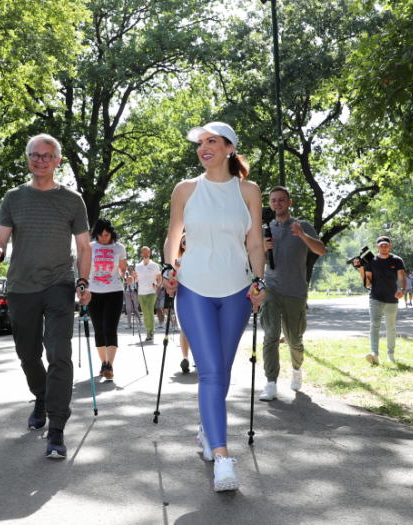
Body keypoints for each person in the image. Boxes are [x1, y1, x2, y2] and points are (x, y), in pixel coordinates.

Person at [163, 121, 265, 492]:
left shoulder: (249, 190)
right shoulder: (185, 189)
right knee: (209, 373)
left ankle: (208, 430)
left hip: (237, 290)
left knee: (222, 370)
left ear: (229, 148)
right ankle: (222, 459)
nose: (203, 148)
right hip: (194, 288)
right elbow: (173, 236)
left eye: (212, 141)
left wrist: (259, 282)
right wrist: (168, 268)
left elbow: (255, 243)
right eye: (200, 143)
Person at [0, 133, 91, 460]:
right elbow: (0, 240)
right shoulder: (13, 198)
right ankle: (41, 396)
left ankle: (57, 426)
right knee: (28, 355)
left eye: (47, 156)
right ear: (28, 158)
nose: (40, 160)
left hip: (59, 283)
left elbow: (83, 247)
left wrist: (82, 282)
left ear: (57, 161)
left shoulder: (72, 200)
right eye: (35, 155)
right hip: (21, 286)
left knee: (59, 352)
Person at [258, 185, 326, 399]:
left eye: (281, 199)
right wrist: (262, 247)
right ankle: (270, 383)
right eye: (273, 200)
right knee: (271, 334)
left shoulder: (302, 225)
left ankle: (296, 369)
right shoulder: (265, 228)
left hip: (296, 290)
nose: (277, 203)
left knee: (294, 339)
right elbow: (253, 259)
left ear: (289, 202)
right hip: (271, 287)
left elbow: (321, 250)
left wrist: (303, 235)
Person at [353, 236, 406, 365]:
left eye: (386, 244)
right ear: (377, 246)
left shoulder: (397, 260)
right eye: (381, 245)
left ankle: (390, 355)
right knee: (374, 325)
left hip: (392, 298)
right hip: (375, 297)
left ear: (390, 245)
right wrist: (361, 269)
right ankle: (374, 353)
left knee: (390, 327)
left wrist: (402, 290)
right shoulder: (371, 261)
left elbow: (402, 278)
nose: (384, 247)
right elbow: (367, 282)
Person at [87, 217, 127, 380]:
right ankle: (103, 363)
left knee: (110, 328)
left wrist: (127, 276)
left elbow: (122, 269)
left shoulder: (119, 248)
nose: (104, 238)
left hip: (114, 291)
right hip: (93, 292)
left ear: (111, 234)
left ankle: (110, 364)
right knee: (99, 329)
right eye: (100, 235)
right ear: (96, 234)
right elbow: (82, 267)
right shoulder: (90, 247)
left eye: (107, 235)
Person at [134, 247, 162, 342]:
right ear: (141, 254)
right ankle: (147, 331)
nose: (145, 253)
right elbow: (135, 280)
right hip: (141, 293)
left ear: (149, 254)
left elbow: (159, 278)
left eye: (147, 252)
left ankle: (151, 332)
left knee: (149, 311)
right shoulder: (138, 266)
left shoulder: (154, 265)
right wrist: (133, 277)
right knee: (145, 313)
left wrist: (157, 285)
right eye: (143, 252)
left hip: (151, 292)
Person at [174, 233, 192, 373]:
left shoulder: (203, 258)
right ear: (181, 246)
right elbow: (173, 280)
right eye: (184, 242)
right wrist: (176, 269)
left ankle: (199, 356)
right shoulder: (178, 261)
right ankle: (185, 357)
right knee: (184, 327)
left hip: (202, 296)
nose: (187, 244)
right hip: (184, 296)